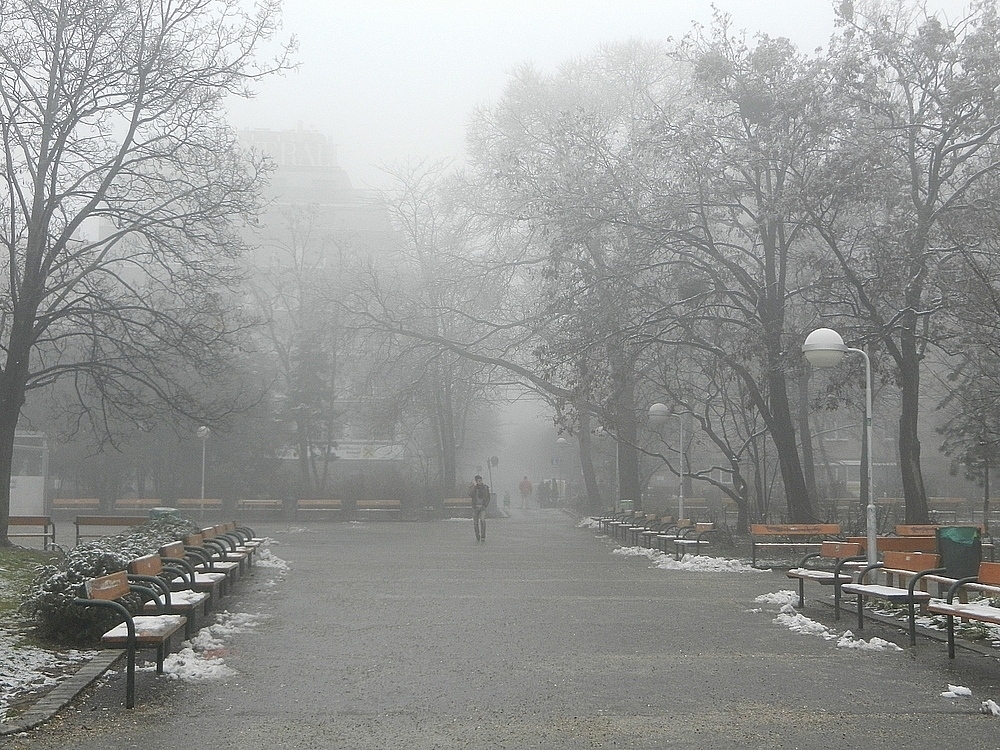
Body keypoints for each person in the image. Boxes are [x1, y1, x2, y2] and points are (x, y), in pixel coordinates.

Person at [470, 474, 490, 542]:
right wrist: (474, 487)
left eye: (481, 480)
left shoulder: (485, 488)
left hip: (482, 507)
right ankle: (477, 536)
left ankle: (483, 536)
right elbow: (470, 494)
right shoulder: (474, 488)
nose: (480, 482)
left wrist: (485, 505)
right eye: (478, 481)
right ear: (476, 481)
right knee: (475, 523)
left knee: (483, 521)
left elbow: (488, 497)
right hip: (475, 507)